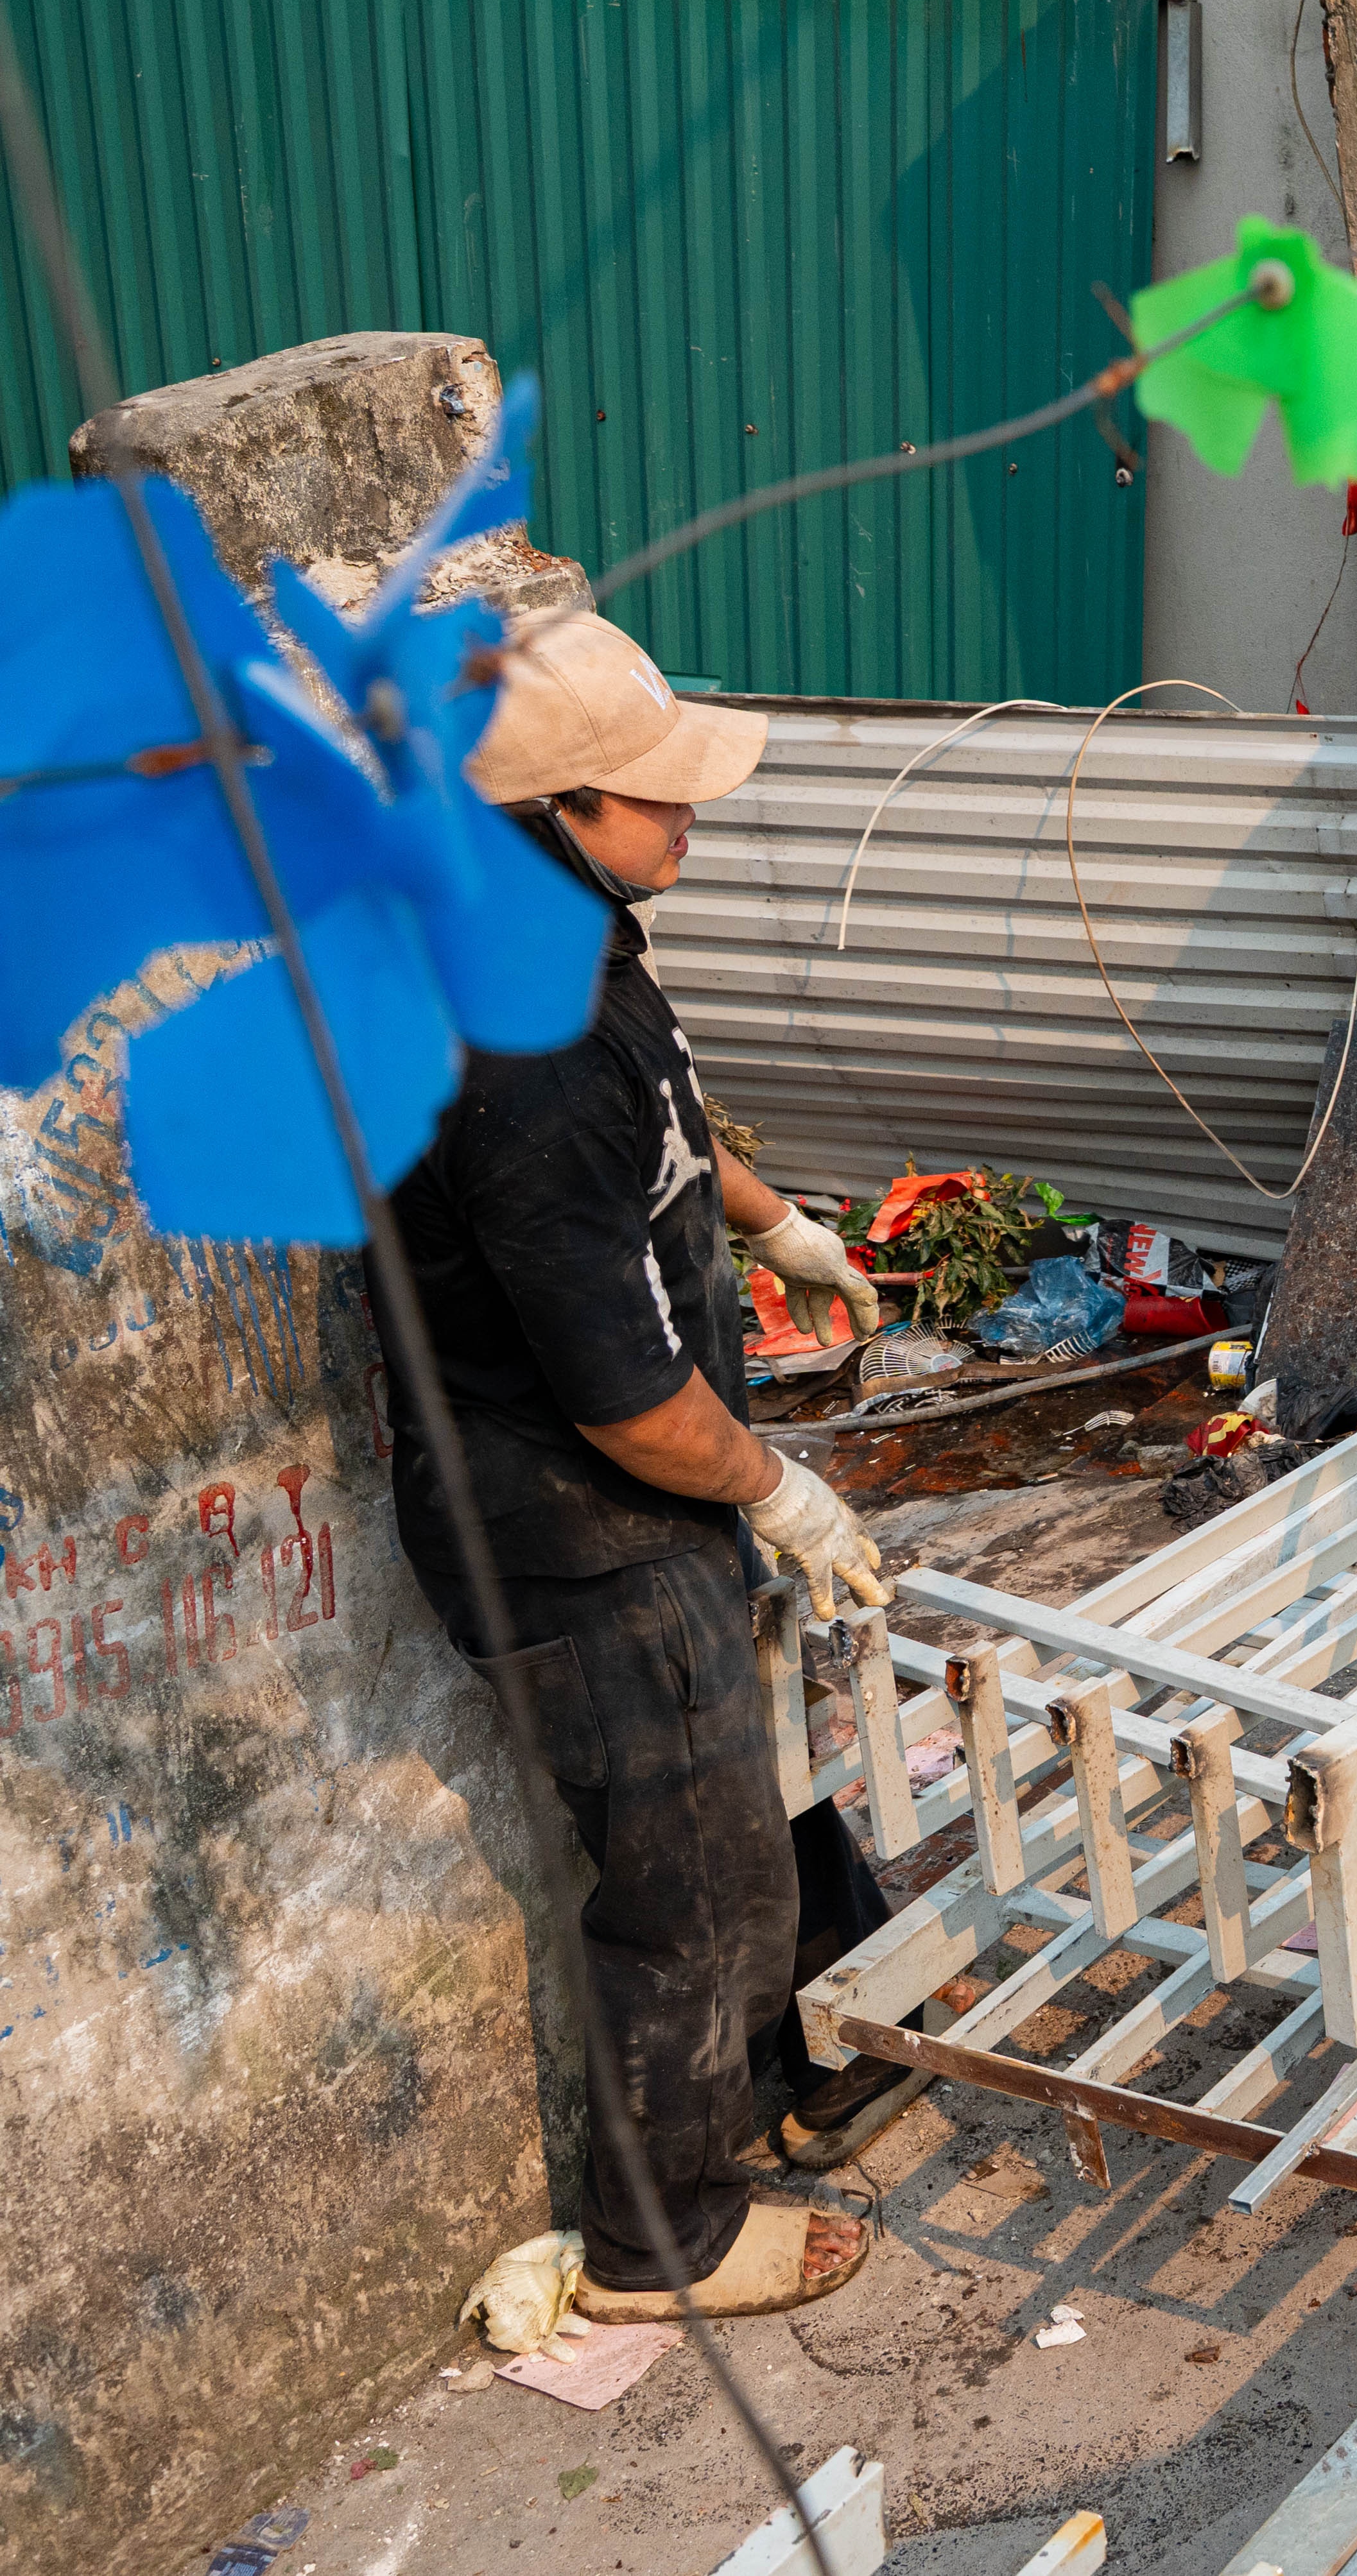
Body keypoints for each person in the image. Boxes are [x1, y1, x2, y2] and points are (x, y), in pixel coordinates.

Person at [384, 612, 917, 2323]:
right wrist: (774, 1483)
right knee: (687, 1879)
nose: (691, 820)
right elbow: (620, 1397)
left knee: (771, 1795)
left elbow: (670, 1115)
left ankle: (806, 2056)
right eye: (656, 798)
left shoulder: (575, 943)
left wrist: (779, 1228)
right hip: (578, 1518)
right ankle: (656, 2236)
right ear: (552, 813)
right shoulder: (517, 1057)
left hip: (650, 1494)